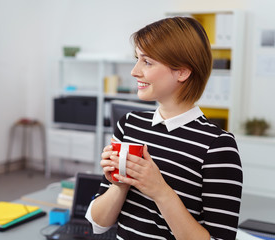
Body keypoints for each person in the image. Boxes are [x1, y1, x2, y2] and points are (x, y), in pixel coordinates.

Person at [85, 16, 243, 240]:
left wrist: (160, 191)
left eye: (147, 62)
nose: (134, 71)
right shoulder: (129, 124)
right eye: (137, 59)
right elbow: (98, 224)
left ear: (182, 72)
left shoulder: (218, 146)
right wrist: (119, 185)